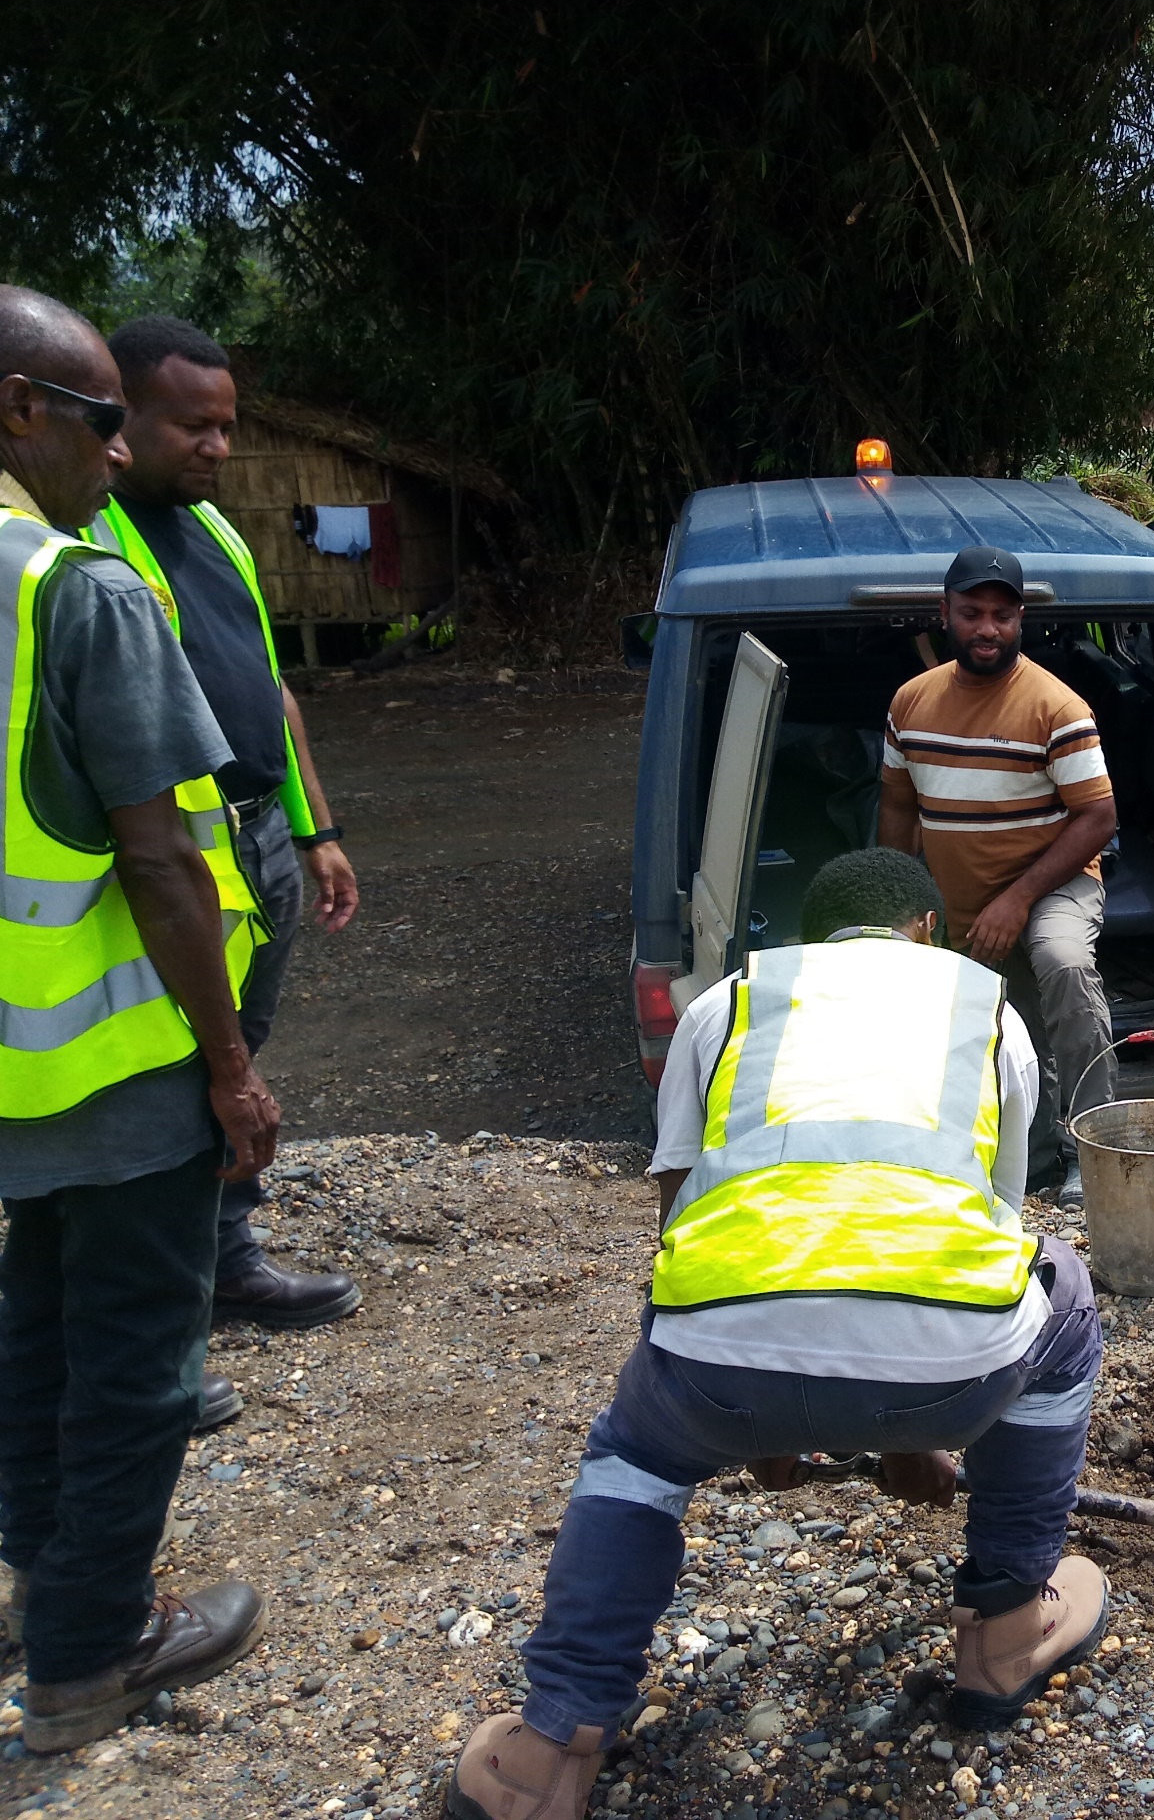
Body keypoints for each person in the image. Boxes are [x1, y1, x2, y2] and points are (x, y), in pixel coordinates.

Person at [448, 847, 1107, 1820]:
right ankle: (1004, 1630)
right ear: (923, 927)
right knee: (1067, 1299)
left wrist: (743, 1424)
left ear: (809, 942)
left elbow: (683, 1220)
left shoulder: (733, 1002)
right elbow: (981, 1239)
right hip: (953, 1364)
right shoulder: (985, 1009)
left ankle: (552, 1748)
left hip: (718, 1365)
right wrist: (914, 1429)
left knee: (632, 1456)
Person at [0, 284, 272, 1750]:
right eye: (103, 418)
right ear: (22, 410)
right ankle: (93, 1653)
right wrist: (229, 1067)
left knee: (39, 1319)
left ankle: (51, 1588)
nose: (115, 449)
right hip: (116, 1045)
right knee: (144, 1352)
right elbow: (159, 856)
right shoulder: (70, 582)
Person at [94, 316, 363, 1345]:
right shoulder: (88, 544)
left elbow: (271, 691)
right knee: (179, 1071)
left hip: (256, 840)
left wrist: (316, 827)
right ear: (120, 419)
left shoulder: (217, 532)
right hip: (172, 854)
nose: (217, 448)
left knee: (239, 1046)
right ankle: (159, 1304)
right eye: (192, 427)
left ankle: (223, 1256)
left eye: (226, 426)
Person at [880, 545, 1119, 1203]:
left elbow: (1098, 817)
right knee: (965, 1016)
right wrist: (899, 911)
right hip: (956, 896)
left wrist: (1015, 900)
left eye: (1002, 615)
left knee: (1063, 962)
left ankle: (1090, 1147)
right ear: (944, 613)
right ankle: (1013, 1152)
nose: (987, 628)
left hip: (1051, 884)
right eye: (972, 613)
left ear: (1020, 619)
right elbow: (897, 808)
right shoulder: (910, 704)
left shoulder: (1056, 707)